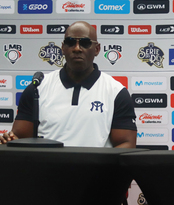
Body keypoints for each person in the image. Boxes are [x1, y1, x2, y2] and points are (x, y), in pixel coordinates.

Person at [0, 21, 137, 147]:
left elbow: (126, 144)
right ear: (63, 48)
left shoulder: (116, 92)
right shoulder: (37, 88)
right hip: (47, 172)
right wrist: (10, 140)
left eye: (85, 43)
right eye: (70, 42)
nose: (77, 48)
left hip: (95, 172)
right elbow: (21, 139)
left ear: (97, 49)